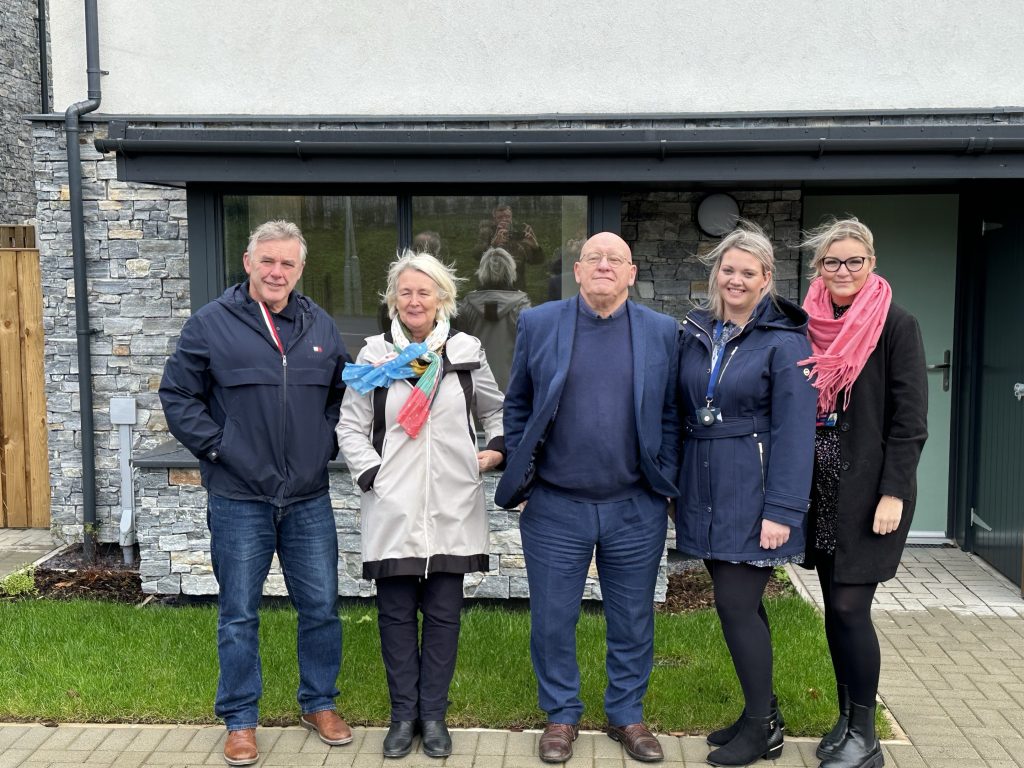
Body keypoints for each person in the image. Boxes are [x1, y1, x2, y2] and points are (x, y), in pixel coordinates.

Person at [159, 220, 352, 767]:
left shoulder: (320, 325)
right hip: (239, 496)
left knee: (320, 608)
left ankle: (320, 703)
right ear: (247, 262)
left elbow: (342, 395)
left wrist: (327, 443)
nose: (276, 271)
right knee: (239, 612)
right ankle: (240, 720)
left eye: (287, 263)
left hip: (309, 496)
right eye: (267, 260)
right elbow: (178, 395)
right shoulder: (211, 324)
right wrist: (220, 448)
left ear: (300, 268)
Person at [495, 232, 680, 764]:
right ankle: (560, 715)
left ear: (631, 272)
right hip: (555, 505)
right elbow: (519, 404)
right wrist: (524, 478)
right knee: (553, 618)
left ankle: (627, 713)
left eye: (614, 259)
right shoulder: (539, 322)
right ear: (576, 271)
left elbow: (670, 413)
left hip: (634, 505)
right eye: (593, 258)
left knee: (632, 617)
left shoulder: (661, 332)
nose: (604, 265)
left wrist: (660, 484)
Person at [336, 251, 505, 759]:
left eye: (424, 291)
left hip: (452, 504)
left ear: (442, 299)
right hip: (395, 506)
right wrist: (372, 476)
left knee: (444, 616)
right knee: (394, 616)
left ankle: (433, 716)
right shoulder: (373, 358)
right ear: (392, 298)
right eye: (405, 291)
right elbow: (350, 425)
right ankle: (401, 715)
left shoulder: (465, 351)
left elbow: (495, 410)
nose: (414, 300)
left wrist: (495, 451)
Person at [675, 223, 816, 767]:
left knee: (736, 606)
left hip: (753, 491)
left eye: (747, 272)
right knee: (742, 606)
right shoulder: (696, 331)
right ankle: (764, 711)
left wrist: (782, 509)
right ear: (717, 276)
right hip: (704, 484)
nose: (735, 279)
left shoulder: (785, 341)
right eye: (727, 270)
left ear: (766, 279)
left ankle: (762, 730)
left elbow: (795, 430)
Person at [799, 218, 927, 768]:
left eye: (854, 261)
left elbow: (910, 420)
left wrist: (893, 492)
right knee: (834, 608)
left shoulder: (897, 324)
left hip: (869, 493)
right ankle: (846, 720)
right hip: (821, 489)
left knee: (852, 606)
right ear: (818, 270)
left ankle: (867, 737)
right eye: (833, 262)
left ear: (871, 264)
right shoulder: (807, 323)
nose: (843, 271)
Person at [453, 246, 531, 392]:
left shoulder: (466, 307)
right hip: (513, 388)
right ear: (511, 270)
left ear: (481, 271)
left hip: (476, 387)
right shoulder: (523, 308)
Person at [472, 203, 544, 292]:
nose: (504, 220)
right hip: (490, 288)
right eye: (500, 217)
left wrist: (535, 247)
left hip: (516, 289)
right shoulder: (487, 234)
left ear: (511, 218)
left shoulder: (519, 235)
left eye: (507, 217)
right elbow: (476, 255)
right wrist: (492, 245)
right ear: (494, 220)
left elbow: (537, 261)